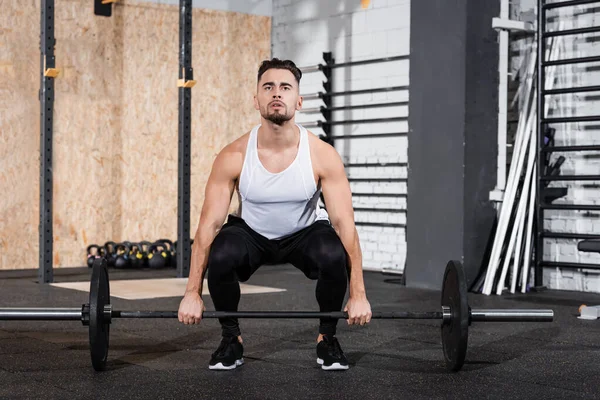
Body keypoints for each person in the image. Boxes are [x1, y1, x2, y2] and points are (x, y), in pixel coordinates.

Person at [177, 58, 372, 371]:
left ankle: (327, 337)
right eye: (268, 87)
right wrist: (192, 292)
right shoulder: (234, 155)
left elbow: (344, 225)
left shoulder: (322, 154)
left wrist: (359, 294)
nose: (276, 93)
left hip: (305, 233)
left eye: (285, 87)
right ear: (256, 100)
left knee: (333, 252)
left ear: (299, 100)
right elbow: (208, 226)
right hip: (251, 233)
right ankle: (231, 339)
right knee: (222, 253)